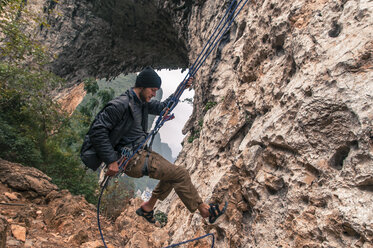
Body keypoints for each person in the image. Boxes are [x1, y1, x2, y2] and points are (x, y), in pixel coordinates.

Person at [80, 66, 226, 224]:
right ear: (142, 86)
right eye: (152, 90)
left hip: (139, 154)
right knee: (180, 174)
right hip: (130, 161)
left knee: (173, 174)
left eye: (156, 91)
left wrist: (181, 88)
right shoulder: (120, 105)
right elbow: (97, 131)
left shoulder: (141, 103)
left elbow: (163, 107)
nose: (154, 94)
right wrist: (111, 161)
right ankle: (205, 211)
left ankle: (148, 207)